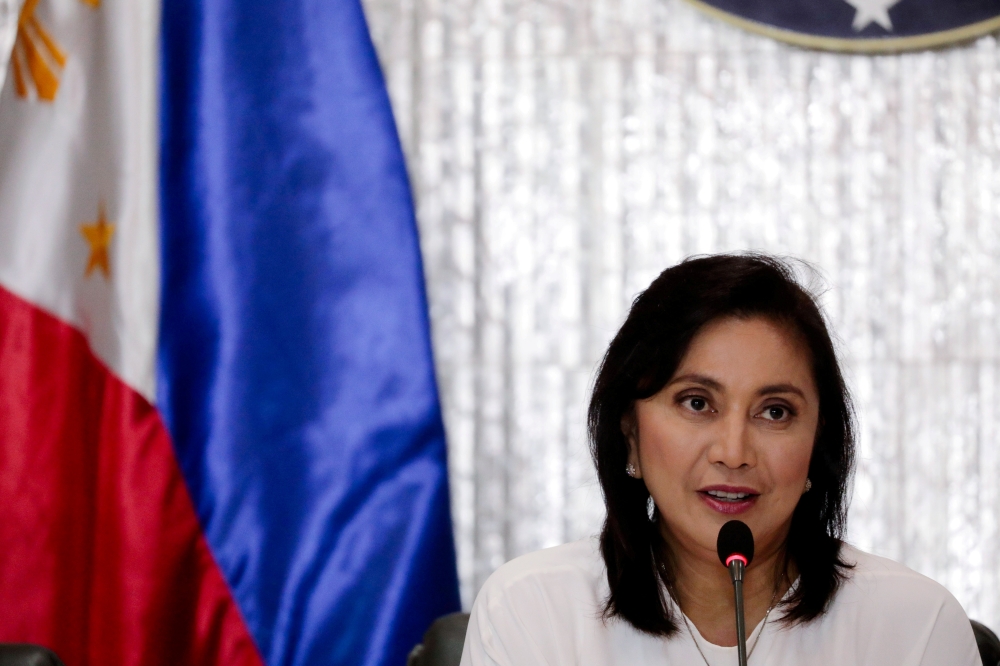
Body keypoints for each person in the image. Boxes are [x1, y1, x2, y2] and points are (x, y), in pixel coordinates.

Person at [460, 254, 982, 666]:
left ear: (817, 442)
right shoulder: (533, 610)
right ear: (630, 435)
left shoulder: (914, 625)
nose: (733, 453)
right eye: (696, 403)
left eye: (775, 412)